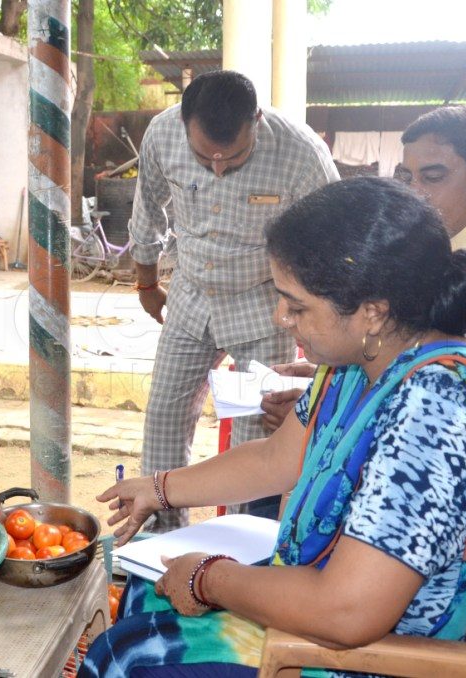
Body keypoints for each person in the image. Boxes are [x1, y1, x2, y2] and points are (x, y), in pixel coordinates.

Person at [80, 177, 466, 676]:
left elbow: (348, 613)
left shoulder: (439, 407)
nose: (281, 318)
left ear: (373, 312)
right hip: (355, 610)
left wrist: (211, 579)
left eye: (297, 305)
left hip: (412, 656)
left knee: (124, 658)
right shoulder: (364, 360)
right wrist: (158, 489)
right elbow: (279, 457)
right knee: (149, 590)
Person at [262, 106, 466, 434]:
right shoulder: (436, 247)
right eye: (405, 177)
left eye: (432, 177)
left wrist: (322, 409)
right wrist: (339, 369)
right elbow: (408, 349)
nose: (413, 192)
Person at [130, 70, 338, 530]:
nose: (219, 167)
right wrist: (147, 282)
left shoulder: (302, 154)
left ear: (257, 122)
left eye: (235, 155)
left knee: (255, 433)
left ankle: (244, 544)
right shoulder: (162, 134)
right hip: (189, 297)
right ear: (184, 125)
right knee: (165, 413)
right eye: (205, 158)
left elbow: (333, 243)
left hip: (264, 308)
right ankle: (161, 537)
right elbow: (147, 207)